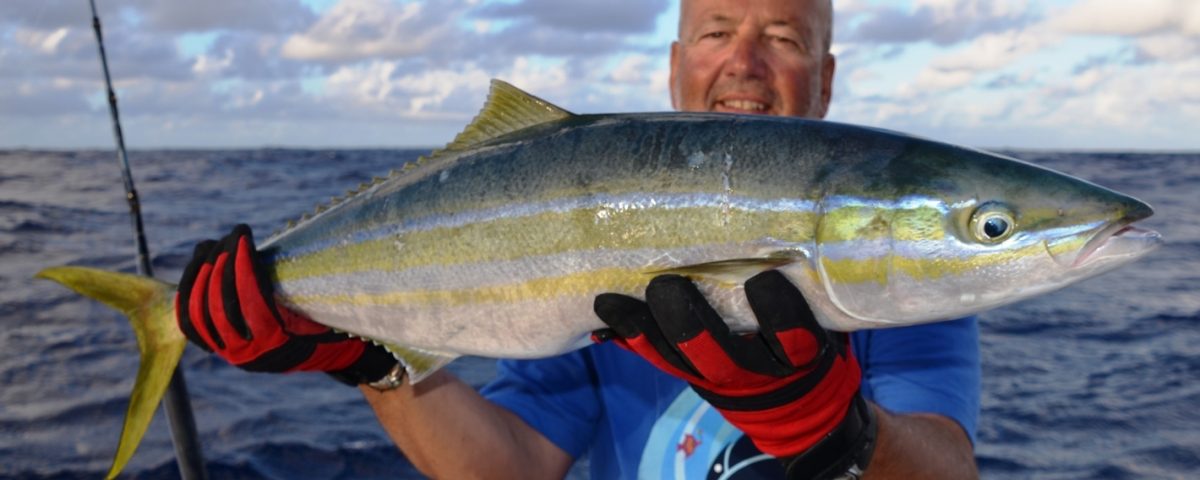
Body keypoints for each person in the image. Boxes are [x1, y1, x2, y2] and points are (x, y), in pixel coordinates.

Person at [177, 0, 980, 478]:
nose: (744, 61)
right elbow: (510, 466)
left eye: (784, 36)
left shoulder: (906, 291)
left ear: (827, 77)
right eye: (716, 31)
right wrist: (368, 359)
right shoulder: (589, 230)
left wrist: (841, 431)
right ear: (674, 63)